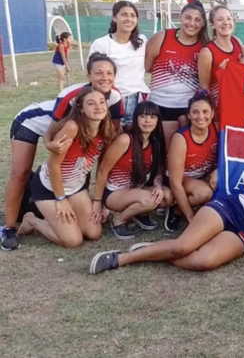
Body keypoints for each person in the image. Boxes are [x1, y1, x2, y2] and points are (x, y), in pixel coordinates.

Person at [89, 149, 244, 274]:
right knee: (182, 246)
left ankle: (153, 251)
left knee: (203, 261)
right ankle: (122, 258)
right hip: (230, 210)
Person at [1, 54, 122, 251]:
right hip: (35, 123)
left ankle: (65, 204)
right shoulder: (72, 97)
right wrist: (49, 144)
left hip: (70, 144)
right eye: (98, 73)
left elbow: (103, 142)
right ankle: (10, 227)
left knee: (93, 231)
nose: (104, 77)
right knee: (20, 173)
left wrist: (99, 201)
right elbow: (51, 132)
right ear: (89, 75)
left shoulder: (114, 98)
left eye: (109, 73)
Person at [17, 88, 116, 248]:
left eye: (101, 102)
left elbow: (103, 167)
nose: (98, 107)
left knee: (93, 233)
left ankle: (67, 219)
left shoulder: (105, 128)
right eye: (91, 103)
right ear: (81, 108)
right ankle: (32, 220)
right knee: (73, 240)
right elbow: (53, 164)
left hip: (75, 187)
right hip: (50, 188)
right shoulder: (72, 127)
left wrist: (99, 202)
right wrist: (61, 200)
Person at [93, 101, 173, 239]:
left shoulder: (155, 142)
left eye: (152, 117)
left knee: (167, 196)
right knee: (149, 200)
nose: (147, 121)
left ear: (158, 121)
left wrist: (158, 186)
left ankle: (138, 214)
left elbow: (158, 171)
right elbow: (102, 171)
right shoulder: (125, 140)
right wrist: (97, 202)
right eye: (143, 116)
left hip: (135, 189)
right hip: (114, 192)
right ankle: (119, 220)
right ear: (136, 118)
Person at [145, 0, 207, 144]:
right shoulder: (161, 37)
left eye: (197, 20)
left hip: (189, 106)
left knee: (186, 148)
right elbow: (147, 67)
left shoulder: (205, 47)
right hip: (161, 103)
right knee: (164, 150)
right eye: (188, 18)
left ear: (203, 23)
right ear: (180, 17)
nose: (192, 23)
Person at [163, 91, 219, 232]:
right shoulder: (180, 139)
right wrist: (191, 217)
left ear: (212, 113)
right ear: (188, 115)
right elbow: (175, 182)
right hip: (182, 178)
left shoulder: (216, 129)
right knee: (204, 193)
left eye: (205, 112)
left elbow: (225, 155)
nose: (201, 117)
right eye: (195, 112)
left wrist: (217, 170)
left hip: (204, 174)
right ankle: (177, 210)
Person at [88, 1, 150, 125]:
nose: (129, 19)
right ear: (114, 17)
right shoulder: (101, 44)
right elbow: (93, 74)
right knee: (112, 139)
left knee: (135, 141)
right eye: (124, 15)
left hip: (138, 98)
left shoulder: (142, 41)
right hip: (112, 99)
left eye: (133, 15)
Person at [198, 6, 244, 105]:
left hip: (239, 104)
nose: (226, 23)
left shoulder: (237, 42)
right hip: (220, 107)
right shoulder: (207, 52)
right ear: (212, 24)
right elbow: (204, 89)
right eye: (220, 19)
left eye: (229, 18)